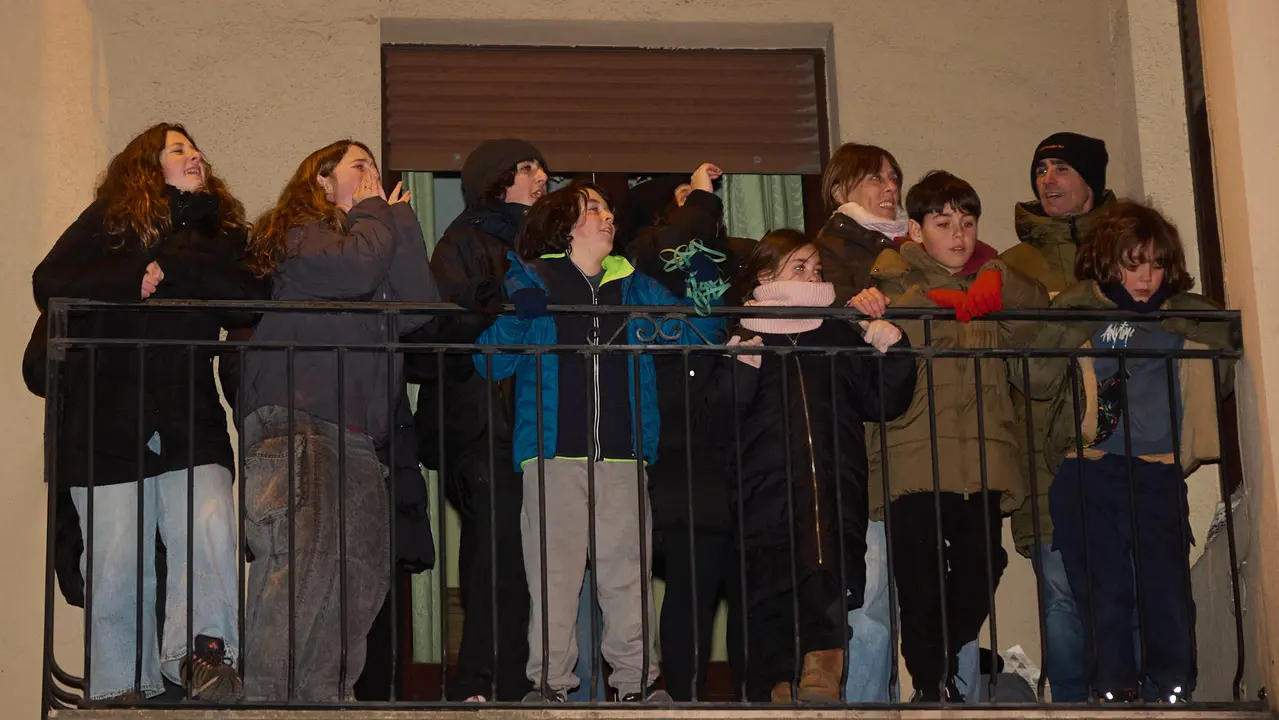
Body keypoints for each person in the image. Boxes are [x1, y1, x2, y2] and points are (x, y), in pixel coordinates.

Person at [31, 122, 266, 702]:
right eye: (179, 149)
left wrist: (178, 270)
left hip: (189, 410)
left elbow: (252, 297)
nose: (196, 155)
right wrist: (132, 275)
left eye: (197, 149)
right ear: (146, 165)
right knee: (115, 555)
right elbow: (50, 280)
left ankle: (207, 658)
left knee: (209, 526)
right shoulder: (108, 221)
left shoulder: (224, 231)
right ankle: (118, 687)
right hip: (106, 415)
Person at [473, 181, 717, 704]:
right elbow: (489, 359)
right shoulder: (532, 276)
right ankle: (549, 687)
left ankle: (635, 687)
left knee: (627, 575)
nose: (608, 216)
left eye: (608, 209)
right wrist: (523, 314)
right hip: (552, 450)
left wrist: (701, 273)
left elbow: (703, 333)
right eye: (594, 208)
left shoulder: (634, 285)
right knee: (554, 579)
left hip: (625, 453)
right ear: (565, 223)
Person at [240, 139, 439, 701]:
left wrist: (400, 219)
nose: (373, 174)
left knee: (361, 577)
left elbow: (419, 305)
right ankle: (269, 701)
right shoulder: (300, 235)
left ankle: (325, 699)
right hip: (300, 420)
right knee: (304, 567)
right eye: (359, 166)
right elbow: (354, 271)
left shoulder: (371, 239)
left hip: (357, 438)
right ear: (322, 182)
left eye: (376, 167)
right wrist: (378, 212)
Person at [1018, 200, 1231, 704]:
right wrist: (1081, 312)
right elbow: (1033, 377)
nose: (1145, 277)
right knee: (1104, 592)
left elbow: (1221, 343)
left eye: (1155, 264)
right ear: (1108, 262)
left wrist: (1180, 316)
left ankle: (1175, 686)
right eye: (1132, 263)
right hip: (1092, 468)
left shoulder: (1178, 319)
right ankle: (1115, 688)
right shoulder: (1083, 313)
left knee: (1167, 591)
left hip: (1156, 472)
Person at [865, 171, 1048, 702]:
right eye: (944, 223)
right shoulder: (894, 290)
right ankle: (930, 687)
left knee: (982, 568)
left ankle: (943, 666)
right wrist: (923, 302)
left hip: (981, 461)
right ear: (916, 231)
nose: (959, 234)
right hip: (913, 464)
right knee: (921, 585)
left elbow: (1038, 317)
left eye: (967, 223)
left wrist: (998, 276)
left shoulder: (991, 289)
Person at [727, 229, 915, 703]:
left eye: (816, 268)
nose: (812, 276)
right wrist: (737, 367)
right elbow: (720, 415)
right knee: (771, 581)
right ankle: (778, 682)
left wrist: (892, 347)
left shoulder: (834, 331)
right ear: (766, 275)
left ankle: (821, 675)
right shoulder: (743, 331)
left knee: (826, 574)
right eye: (799, 267)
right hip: (763, 485)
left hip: (833, 481)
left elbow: (882, 400)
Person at [406, 138, 548, 703]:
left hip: (534, 423)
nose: (543, 177)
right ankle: (479, 681)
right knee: (493, 553)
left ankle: (518, 678)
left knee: (526, 557)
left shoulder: (546, 247)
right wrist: (499, 295)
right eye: (530, 167)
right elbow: (437, 329)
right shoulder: (463, 242)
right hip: (482, 423)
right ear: (498, 179)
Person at [624, 162, 753, 700]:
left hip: (732, 441)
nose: (702, 209)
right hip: (675, 443)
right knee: (693, 576)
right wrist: (699, 197)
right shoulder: (639, 263)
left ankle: (757, 697)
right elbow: (670, 247)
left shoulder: (728, 264)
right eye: (684, 202)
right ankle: (683, 696)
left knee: (743, 577)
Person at [1000, 131, 1116, 702]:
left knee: (1127, 584)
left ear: (1090, 180)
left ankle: (1129, 697)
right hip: (1042, 458)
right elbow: (1008, 365)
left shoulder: (1130, 248)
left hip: (1122, 448)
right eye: (1041, 168)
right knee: (1061, 591)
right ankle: (1073, 706)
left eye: (1061, 168)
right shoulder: (1013, 264)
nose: (1048, 179)